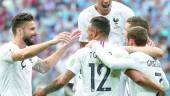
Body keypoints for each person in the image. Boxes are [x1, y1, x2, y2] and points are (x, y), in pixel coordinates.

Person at [33, 16, 164, 96]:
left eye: (88, 31)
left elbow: (61, 81)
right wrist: (160, 89)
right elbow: (139, 78)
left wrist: (44, 91)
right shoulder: (119, 53)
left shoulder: (82, 52)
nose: (87, 34)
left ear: (94, 32)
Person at [0, 12, 79, 96]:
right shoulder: (6, 48)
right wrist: (52, 42)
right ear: (20, 31)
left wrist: (66, 46)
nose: (35, 33)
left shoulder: (28, 52)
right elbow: (21, 55)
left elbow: (44, 66)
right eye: (32, 29)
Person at [126, 26, 169, 96]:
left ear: (131, 42)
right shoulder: (156, 60)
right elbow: (166, 85)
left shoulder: (132, 57)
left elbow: (138, 79)